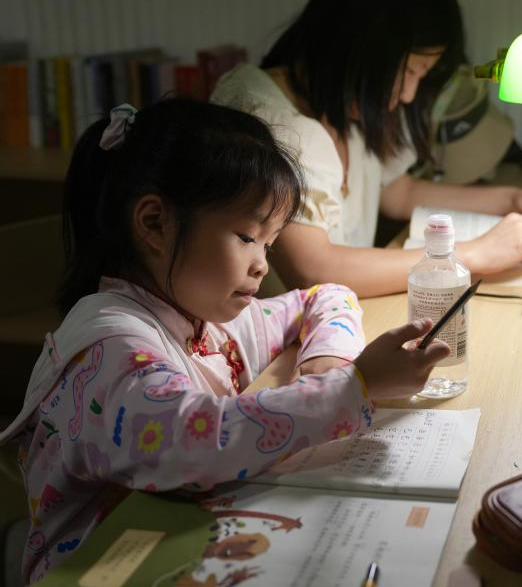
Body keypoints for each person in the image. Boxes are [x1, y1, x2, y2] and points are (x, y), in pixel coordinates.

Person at [0, 99, 451, 584]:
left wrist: (326, 360)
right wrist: (354, 386)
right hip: (102, 566)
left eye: (269, 244)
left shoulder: (205, 314)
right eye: (247, 237)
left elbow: (325, 296)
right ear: (154, 223)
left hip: (180, 540)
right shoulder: (110, 348)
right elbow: (198, 441)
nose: (262, 264)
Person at [212, 0, 522, 297]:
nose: (409, 95)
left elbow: (400, 193)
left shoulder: (344, 104)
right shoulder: (265, 119)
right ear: (361, 49)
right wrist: (475, 253)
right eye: (411, 71)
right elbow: (314, 269)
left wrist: (512, 199)